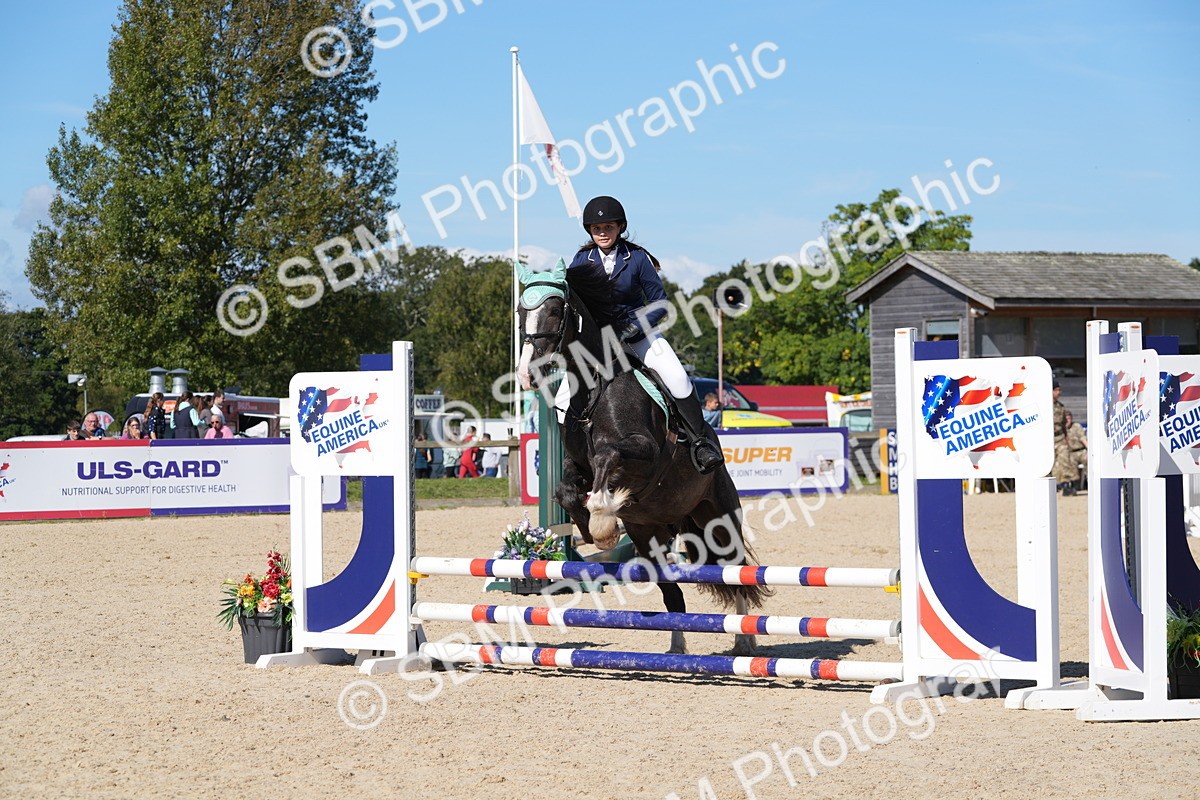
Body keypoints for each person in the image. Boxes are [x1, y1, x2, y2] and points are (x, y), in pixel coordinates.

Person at [561, 195, 723, 473]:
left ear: (620, 227)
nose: (602, 233)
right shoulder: (580, 260)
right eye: (597, 228)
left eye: (608, 227)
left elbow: (660, 302)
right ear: (590, 230)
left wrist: (636, 326)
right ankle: (575, 459)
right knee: (563, 398)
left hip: (638, 335)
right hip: (598, 341)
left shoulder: (636, 259)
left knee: (678, 378)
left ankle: (700, 443)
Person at [1050, 380, 1078, 494]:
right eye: (1056, 390)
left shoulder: (1061, 407)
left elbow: (1063, 425)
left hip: (1060, 438)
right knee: (1050, 465)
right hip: (1048, 440)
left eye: (1059, 390)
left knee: (1065, 461)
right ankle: (1054, 486)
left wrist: (1066, 438)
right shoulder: (1043, 405)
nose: (1059, 392)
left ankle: (1067, 486)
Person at [1064, 411, 1088, 495]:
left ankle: (1091, 483)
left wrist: (1089, 450)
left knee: (1088, 460)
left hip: (1081, 451)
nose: (1068, 421)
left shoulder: (1076, 426)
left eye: (1069, 419)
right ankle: (1073, 487)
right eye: (1066, 419)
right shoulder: (1061, 429)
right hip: (1070, 453)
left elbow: (1083, 438)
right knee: (1068, 462)